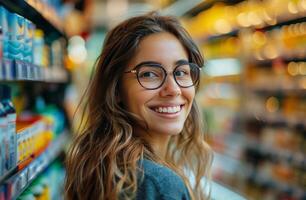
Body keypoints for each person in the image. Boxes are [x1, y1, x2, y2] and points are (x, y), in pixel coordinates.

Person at [64, 11, 213, 200]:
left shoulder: (103, 165)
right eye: (149, 74)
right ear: (116, 89)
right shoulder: (158, 185)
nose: (174, 89)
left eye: (181, 72)